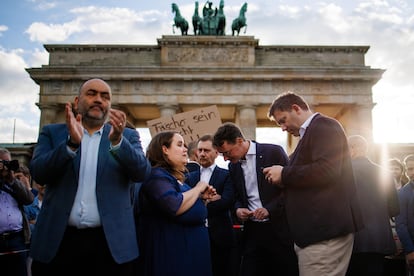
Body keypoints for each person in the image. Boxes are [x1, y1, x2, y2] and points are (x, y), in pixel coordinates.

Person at [28, 78, 151, 276]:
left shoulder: (127, 136)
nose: (98, 100)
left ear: (110, 105)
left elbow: (142, 172)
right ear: (77, 102)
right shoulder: (53, 133)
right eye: (91, 94)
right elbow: (39, 173)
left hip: (110, 246)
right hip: (59, 244)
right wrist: (70, 145)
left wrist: (118, 143)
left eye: (105, 96)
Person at [263, 91, 364, 276]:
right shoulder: (312, 132)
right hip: (317, 233)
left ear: (296, 108)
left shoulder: (323, 126)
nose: (283, 128)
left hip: (323, 232)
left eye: (283, 120)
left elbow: (327, 170)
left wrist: (284, 173)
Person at [213, 122, 299, 276]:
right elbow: (237, 195)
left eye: (227, 153)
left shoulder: (273, 152)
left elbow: (291, 189)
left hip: (279, 230)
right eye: (222, 155)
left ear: (240, 141)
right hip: (252, 233)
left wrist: (269, 209)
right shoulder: (233, 166)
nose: (225, 159)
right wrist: (238, 209)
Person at [138, 131, 217, 276]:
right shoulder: (157, 176)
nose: (186, 149)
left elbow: (188, 207)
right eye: (179, 144)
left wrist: (200, 198)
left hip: (191, 257)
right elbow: (174, 205)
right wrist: (199, 187)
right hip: (173, 258)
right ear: (165, 149)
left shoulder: (176, 179)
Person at [345, 135, 399, 276]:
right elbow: (394, 208)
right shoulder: (385, 172)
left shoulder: (342, 173)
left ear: (352, 149)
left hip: (351, 238)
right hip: (378, 239)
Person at [186, 134, 236, 276]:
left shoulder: (227, 175)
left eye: (206, 150)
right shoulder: (190, 177)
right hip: (195, 235)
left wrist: (197, 201)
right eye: (200, 150)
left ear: (216, 152)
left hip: (221, 237)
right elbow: (184, 204)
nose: (202, 154)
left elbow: (226, 201)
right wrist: (208, 200)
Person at [0, 147, 34, 276]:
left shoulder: (13, 182)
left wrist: (12, 180)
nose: (5, 167)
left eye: (7, 163)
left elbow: (29, 199)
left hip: (17, 238)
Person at [384, 157, 408, 276]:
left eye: (396, 168)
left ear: (402, 171)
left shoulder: (407, 187)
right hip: (388, 225)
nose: (393, 171)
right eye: (390, 168)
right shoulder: (381, 187)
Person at [395, 154, 414, 275]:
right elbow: (401, 224)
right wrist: (410, 250)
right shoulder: (402, 193)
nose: (412, 172)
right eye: (410, 169)